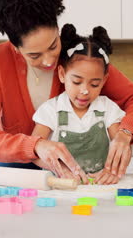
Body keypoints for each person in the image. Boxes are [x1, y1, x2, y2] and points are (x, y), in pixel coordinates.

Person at [0, 0, 133, 184]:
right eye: (34, 56)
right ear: (15, 47)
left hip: (67, 172)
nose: (49, 61)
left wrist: (125, 133)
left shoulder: (76, 57)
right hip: (12, 169)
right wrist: (36, 145)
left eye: (53, 45)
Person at [31, 24, 126, 184]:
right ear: (62, 74)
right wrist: (60, 168)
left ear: (104, 80)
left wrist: (113, 171)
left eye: (94, 84)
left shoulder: (107, 109)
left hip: (98, 187)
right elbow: (33, 152)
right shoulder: (50, 110)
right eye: (76, 82)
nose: (84, 91)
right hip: (60, 186)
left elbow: (121, 150)